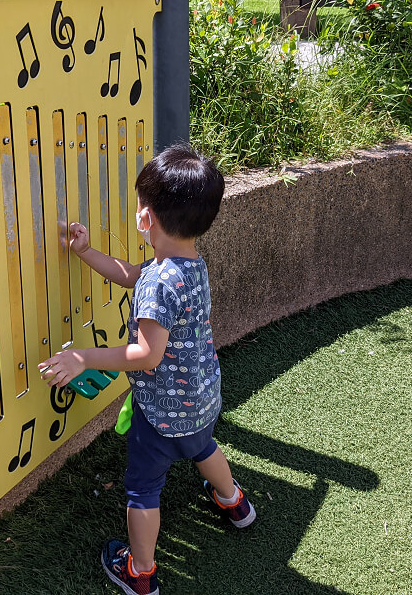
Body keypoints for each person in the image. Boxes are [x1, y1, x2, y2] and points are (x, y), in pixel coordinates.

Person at [38, 144, 255, 595]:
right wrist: (86, 251)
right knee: (204, 447)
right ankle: (234, 502)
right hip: (201, 399)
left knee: (143, 491)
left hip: (160, 415)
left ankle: (139, 572)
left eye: (140, 204)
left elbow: (146, 356)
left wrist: (83, 356)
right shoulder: (188, 264)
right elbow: (132, 274)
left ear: (145, 218)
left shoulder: (159, 282)